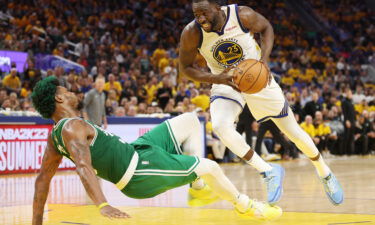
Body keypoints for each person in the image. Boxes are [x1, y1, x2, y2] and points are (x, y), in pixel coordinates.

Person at [31, 76, 282, 225]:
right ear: (59, 99)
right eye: (67, 91)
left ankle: (196, 189)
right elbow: (83, 167)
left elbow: (42, 180)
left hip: (138, 150)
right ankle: (247, 207)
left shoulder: (55, 137)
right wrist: (102, 205)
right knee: (211, 167)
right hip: (138, 172)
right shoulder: (73, 127)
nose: (72, 92)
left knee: (191, 120)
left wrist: (36, 223)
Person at [179, 0, 343, 205]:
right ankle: (267, 170)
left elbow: (266, 28)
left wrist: (264, 60)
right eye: (197, 14)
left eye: (204, 13)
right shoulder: (191, 33)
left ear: (217, 8)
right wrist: (218, 79)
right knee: (221, 126)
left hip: (257, 77)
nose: (201, 18)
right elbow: (185, 67)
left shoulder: (242, 15)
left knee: (292, 131)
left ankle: (324, 172)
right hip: (225, 81)